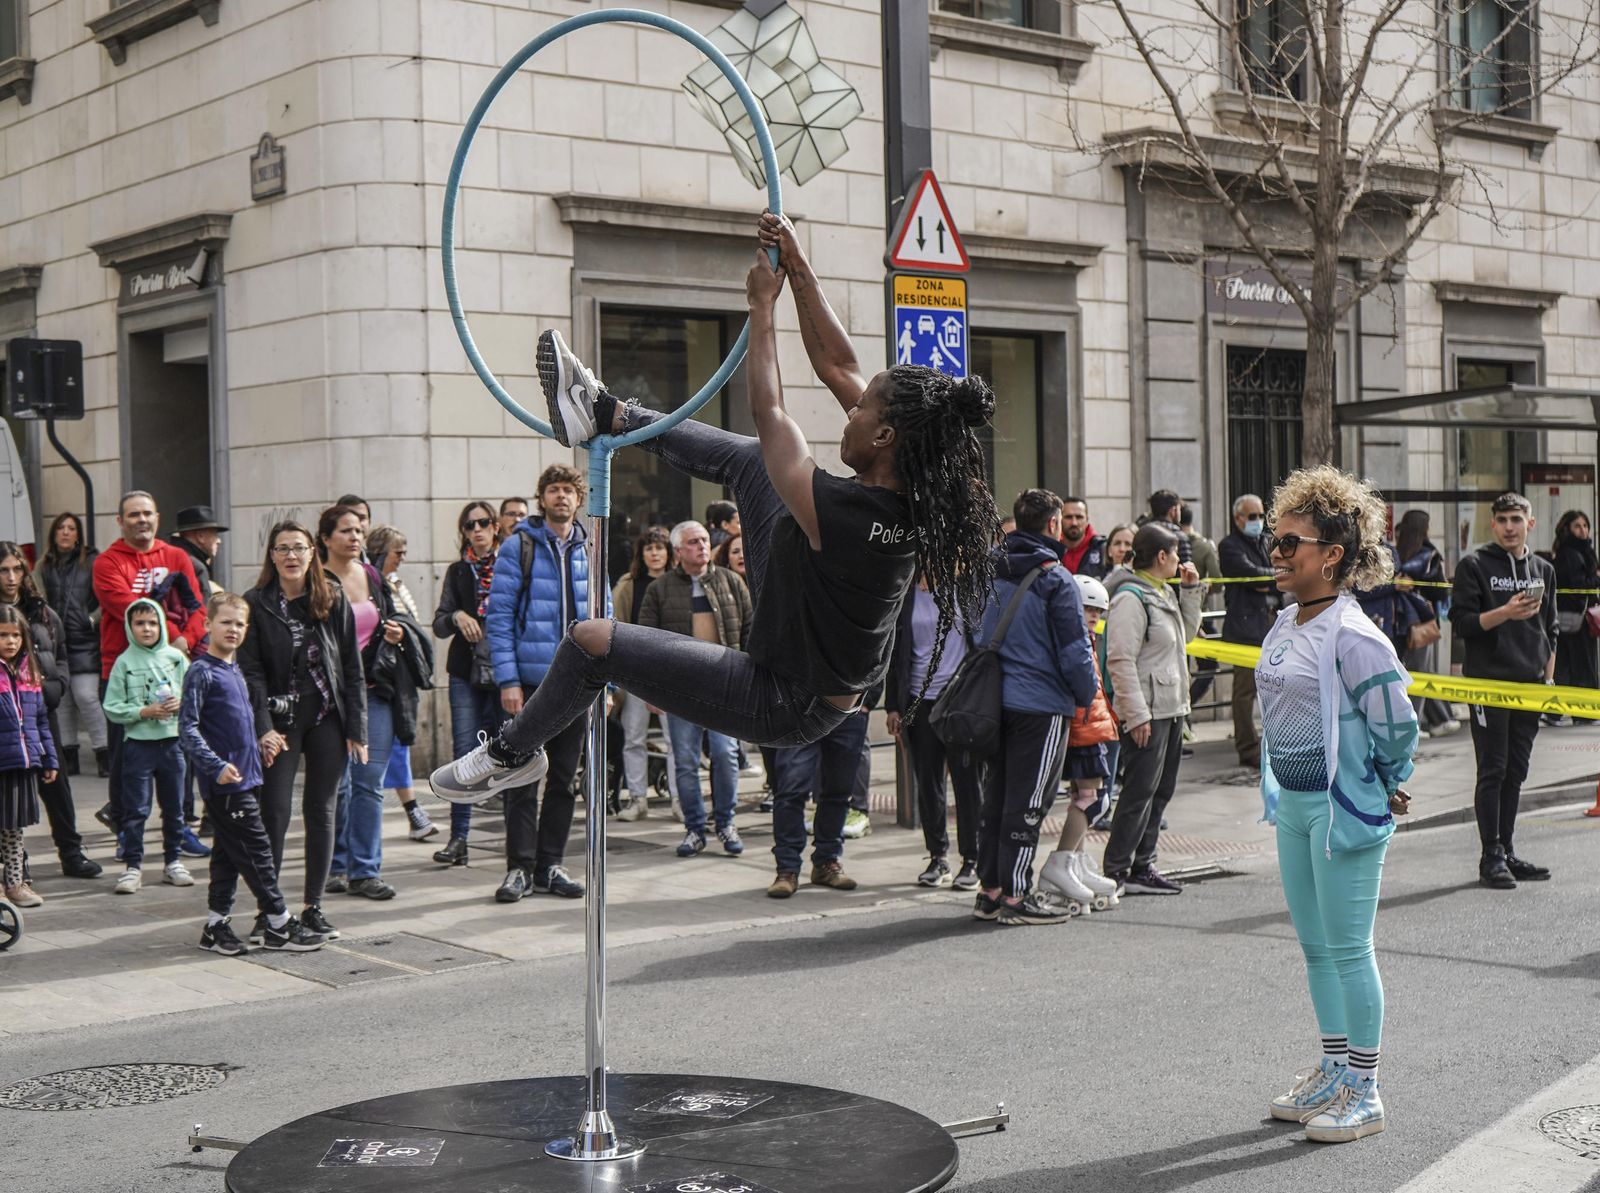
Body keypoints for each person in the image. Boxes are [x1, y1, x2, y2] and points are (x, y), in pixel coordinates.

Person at [431, 214, 999, 813]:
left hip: (787, 701)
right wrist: (798, 265)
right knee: (754, 462)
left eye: (861, 413)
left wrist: (761, 306)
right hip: (806, 650)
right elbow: (838, 365)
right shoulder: (908, 485)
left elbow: (771, 411)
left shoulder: (849, 515)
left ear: (884, 436)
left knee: (590, 641)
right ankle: (604, 412)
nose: (850, 413)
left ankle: (513, 756)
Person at [1257, 465, 1417, 1143]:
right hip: (1294, 807)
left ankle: (1365, 1088)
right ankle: (1333, 1067)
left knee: (1350, 951)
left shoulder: (1354, 636)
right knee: (1317, 950)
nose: (1276, 552)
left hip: (1340, 811)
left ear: (1332, 554)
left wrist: (1386, 778)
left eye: (1289, 542)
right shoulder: (1286, 622)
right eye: (1274, 539)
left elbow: (1398, 726)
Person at [971, 489, 1099, 926]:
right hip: (1040, 706)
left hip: (992, 702)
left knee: (997, 796)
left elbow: (973, 629)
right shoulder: (1055, 579)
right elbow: (1075, 651)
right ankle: (1015, 896)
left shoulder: (990, 569)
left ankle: (989, 891)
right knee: (1027, 802)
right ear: (1053, 524)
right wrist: (1086, 695)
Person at [240, 520, 366, 943]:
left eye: (299, 547)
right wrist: (262, 727)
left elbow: (351, 666)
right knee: (274, 812)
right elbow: (251, 673)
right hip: (280, 723)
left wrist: (357, 729)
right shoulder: (256, 602)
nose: (291, 555)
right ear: (272, 556)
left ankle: (314, 907)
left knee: (321, 810)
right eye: (283, 548)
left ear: (313, 552)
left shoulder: (331, 596)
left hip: (327, 715)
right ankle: (270, 911)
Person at [181, 592, 326, 955]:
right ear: (207, 624)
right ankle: (279, 922)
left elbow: (236, 723)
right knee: (257, 850)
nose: (233, 629)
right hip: (226, 784)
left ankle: (215, 926)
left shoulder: (235, 671)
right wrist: (216, 766)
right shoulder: (201, 671)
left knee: (228, 855)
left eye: (240, 624)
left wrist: (261, 744)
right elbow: (187, 729)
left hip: (249, 776)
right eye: (226, 622)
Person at [481, 466, 597, 903]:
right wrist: (508, 680)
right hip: (530, 684)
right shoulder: (519, 545)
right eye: (553, 490)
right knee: (521, 778)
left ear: (579, 498)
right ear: (542, 497)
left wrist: (607, 685)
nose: (561, 496)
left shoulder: (591, 546)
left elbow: (605, 617)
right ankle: (519, 868)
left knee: (564, 780)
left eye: (568, 490)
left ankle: (550, 864)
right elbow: (499, 617)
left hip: (579, 685)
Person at [1450, 492, 1557, 889]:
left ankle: (1508, 851)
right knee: (1493, 768)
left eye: (1516, 519)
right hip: (1489, 684)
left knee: (1516, 770)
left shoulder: (1543, 569)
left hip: (1531, 686)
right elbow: (1462, 624)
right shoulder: (1474, 565)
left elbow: (1551, 630)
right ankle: (1490, 855)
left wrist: (1548, 682)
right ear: (1493, 524)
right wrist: (1505, 613)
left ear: (1530, 523)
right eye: (1502, 520)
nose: (1510, 527)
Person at [93, 492, 208, 836]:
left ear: (157, 517)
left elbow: (199, 606)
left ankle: (180, 828)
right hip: (124, 672)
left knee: (178, 752)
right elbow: (131, 610)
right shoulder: (107, 563)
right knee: (125, 758)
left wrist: (186, 641)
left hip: (173, 670)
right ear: (120, 521)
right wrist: (175, 637)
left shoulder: (177, 556)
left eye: (147, 513)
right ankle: (125, 829)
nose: (141, 520)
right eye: (133, 515)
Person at [640, 520, 752, 858]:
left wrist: (750, 679)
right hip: (681, 688)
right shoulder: (659, 589)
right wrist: (651, 690)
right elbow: (646, 642)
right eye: (693, 542)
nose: (702, 546)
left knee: (725, 754)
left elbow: (750, 631)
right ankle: (694, 829)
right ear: (678, 551)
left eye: (704, 540)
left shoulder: (731, 581)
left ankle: (726, 823)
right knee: (686, 761)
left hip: (725, 685)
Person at [1101, 522, 1202, 895]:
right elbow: (1120, 660)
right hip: (1148, 711)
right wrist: (1136, 713)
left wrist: (1190, 591)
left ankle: (1143, 865)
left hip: (1171, 707)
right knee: (1138, 792)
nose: (1178, 560)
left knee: (1160, 790)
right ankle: (1117, 870)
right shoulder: (1131, 598)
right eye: (1175, 553)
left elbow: (1185, 636)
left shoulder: (1162, 592)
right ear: (1161, 556)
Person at [0, 542, 102, 879]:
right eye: (3, 570)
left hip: (40, 710)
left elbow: (60, 655)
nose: (11, 577)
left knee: (56, 784)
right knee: (10, 794)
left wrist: (55, 687)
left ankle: (71, 853)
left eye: (17, 569)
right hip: (4, 716)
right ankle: (16, 864)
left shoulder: (42, 612)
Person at [321, 504, 405, 900]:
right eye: (345, 531)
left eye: (358, 530)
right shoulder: (316, 580)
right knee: (338, 784)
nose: (354, 537)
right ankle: (334, 865)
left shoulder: (371, 575)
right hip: (331, 696)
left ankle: (365, 871)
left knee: (369, 782)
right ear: (326, 538)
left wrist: (395, 634)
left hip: (375, 689)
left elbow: (389, 617)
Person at [1035, 574, 1122, 914]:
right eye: (1087, 609)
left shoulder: (1083, 637)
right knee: (1092, 799)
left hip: (1090, 727)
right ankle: (1061, 863)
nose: (1093, 617)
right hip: (1084, 729)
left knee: (1084, 798)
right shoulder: (1070, 638)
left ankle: (1077, 863)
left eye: (1098, 612)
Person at [886, 575, 980, 890]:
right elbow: (894, 651)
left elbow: (982, 643)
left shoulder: (965, 589)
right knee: (928, 783)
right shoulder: (905, 593)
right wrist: (892, 706)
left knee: (968, 783)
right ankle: (938, 856)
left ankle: (972, 859)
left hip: (960, 701)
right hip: (917, 701)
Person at [430, 501, 504, 864]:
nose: (477, 530)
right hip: (465, 672)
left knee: (508, 754)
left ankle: (518, 843)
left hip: (504, 673)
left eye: (483, 523)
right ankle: (458, 838)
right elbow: (439, 623)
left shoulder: (510, 565)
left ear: (495, 527)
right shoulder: (458, 570)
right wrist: (457, 616)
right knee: (463, 755)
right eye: (469, 525)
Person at [103, 599, 191, 894]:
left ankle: (173, 862)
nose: (147, 628)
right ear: (130, 627)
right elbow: (112, 706)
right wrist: (142, 712)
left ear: (162, 625)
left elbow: (196, 694)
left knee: (175, 807)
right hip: (138, 747)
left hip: (172, 744)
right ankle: (133, 866)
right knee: (136, 809)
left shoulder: (176, 659)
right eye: (139, 623)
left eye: (153, 622)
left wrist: (182, 704)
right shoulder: (124, 662)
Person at [365, 524, 437, 844]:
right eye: (398, 552)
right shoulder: (369, 582)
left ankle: (413, 812)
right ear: (380, 552)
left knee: (398, 745)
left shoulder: (394, 582)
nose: (402, 558)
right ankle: (411, 811)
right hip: (378, 678)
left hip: (398, 676)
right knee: (390, 748)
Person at [767, 698, 874, 898]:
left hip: (849, 709)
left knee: (839, 790)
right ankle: (787, 869)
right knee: (791, 790)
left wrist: (867, 700)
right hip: (800, 707)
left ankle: (827, 861)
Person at [35, 512, 107, 779]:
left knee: (87, 697)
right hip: (55, 642)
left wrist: (91, 620)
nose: (65, 532)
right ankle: (69, 757)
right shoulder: (44, 564)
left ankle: (104, 753)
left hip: (85, 641)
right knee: (62, 700)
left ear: (79, 535)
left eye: (71, 528)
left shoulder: (92, 561)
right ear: (54, 533)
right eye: (61, 528)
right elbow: (38, 597)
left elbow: (105, 599)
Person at [610, 525, 673, 822]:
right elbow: (615, 623)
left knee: (676, 740)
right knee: (633, 735)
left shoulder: (678, 581)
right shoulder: (629, 584)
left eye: (660, 548)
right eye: (649, 548)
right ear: (641, 553)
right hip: (637, 671)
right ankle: (637, 798)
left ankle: (680, 799)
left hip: (674, 672)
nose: (655, 553)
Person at [0, 605, 57, 908]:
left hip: (22, 763)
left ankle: (14, 883)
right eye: (3, 635)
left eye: (16, 635)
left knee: (13, 827)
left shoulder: (28, 673)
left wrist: (49, 758)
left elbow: (41, 721)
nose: (10, 641)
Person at [1219, 494, 1278, 769]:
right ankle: (1247, 747)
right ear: (1238, 519)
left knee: (1276, 686)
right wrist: (1272, 578)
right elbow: (1252, 574)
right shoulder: (1229, 546)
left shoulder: (1266, 541)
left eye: (1261, 515)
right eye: (1252, 516)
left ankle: (1273, 741)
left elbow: (1280, 572)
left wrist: (1269, 580)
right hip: (1244, 628)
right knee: (1244, 691)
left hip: (1270, 624)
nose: (1258, 521)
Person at [1393, 510, 1459, 737]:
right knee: (1420, 672)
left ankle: (1441, 718)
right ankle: (1416, 723)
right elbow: (1440, 592)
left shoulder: (1395, 555)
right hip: (1422, 621)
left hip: (1398, 620)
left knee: (1411, 671)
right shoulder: (1429, 556)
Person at [1549, 510, 1598, 710]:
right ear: (1567, 529)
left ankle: (1561, 711)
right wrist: (1597, 578)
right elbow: (1579, 585)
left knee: (1568, 665)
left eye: (1585, 526)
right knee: (1581, 665)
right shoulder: (1571, 554)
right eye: (1577, 526)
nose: (1583, 530)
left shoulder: (1582, 552)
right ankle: (1582, 710)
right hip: (1576, 617)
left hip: (1577, 617)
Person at [170, 505, 227, 597]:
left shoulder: (168, 556)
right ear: (200, 536)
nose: (219, 541)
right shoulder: (197, 567)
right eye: (215, 535)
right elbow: (202, 604)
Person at [1059, 497, 1109, 578]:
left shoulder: (1103, 549)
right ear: (1060, 519)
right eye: (1068, 517)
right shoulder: (1050, 549)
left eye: (1079, 517)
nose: (1074, 523)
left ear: (1087, 519)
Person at [1147, 490, 1192, 564]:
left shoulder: (1142, 534)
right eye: (1179, 510)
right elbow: (1186, 567)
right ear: (1173, 511)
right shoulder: (1180, 536)